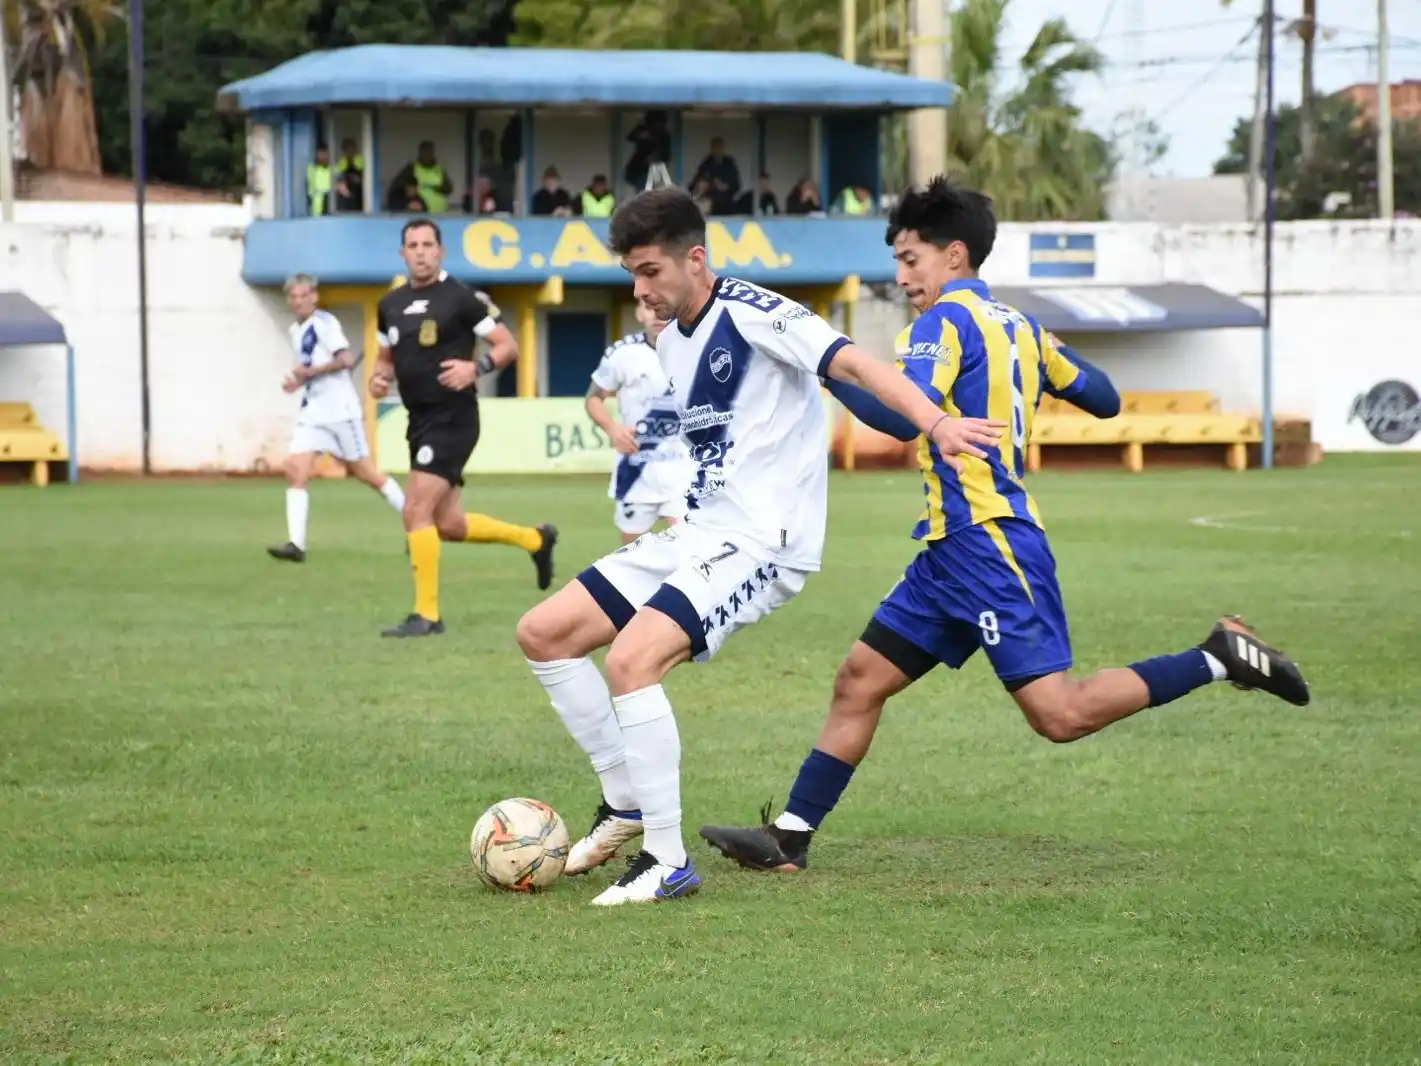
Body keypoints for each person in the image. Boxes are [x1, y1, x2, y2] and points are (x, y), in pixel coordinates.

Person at [698, 177, 1311, 874]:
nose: (901, 278)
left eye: (910, 259)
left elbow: (904, 416)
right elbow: (1104, 398)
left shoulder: (941, 324)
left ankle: (1218, 655)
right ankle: (789, 837)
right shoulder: (1020, 328)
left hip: (987, 542)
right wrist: (1042, 371)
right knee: (858, 680)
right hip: (947, 553)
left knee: (1059, 714)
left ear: (953, 256)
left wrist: (827, 375)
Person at [514, 187, 1005, 906]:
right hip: (697, 531)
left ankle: (664, 857)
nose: (640, 288)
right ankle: (624, 803)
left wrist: (934, 424)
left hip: (762, 542)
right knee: (544, 633)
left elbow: (856, 366)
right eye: (631, 274)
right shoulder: (668, 339)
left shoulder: (755, 312)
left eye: (651, 271)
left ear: (695, 258)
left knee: (631, 660)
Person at [371, 218, 558, 638]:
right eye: (412, 245)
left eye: (427, 244)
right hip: (418, 419)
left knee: (415, 510)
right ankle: (535, 540)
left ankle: (427, 615)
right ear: (403, 253)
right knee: (447, 524)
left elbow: (507, 345)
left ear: (441, 251)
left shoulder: (462, 299)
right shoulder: (391, 304)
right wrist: (379, 378)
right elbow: (385, 359)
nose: (420, 251)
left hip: (453, 417)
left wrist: (477, 367)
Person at [267, 274, 406, 563]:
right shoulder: (297, 329)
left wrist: (311, 372)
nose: (298, 301)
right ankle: (296, 544)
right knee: (296, 470)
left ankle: (418, 525)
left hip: (340, 412)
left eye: (303, 295)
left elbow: (345, 358)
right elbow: (313, 368)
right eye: (293, 297)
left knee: (368, 475)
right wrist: (299, 382)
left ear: (314, 297)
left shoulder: (325, 324)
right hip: (313, 412)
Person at [584, 301, 696, 544]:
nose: (657, 314)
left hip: (684, 469)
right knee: (633, 559)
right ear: (638, 312)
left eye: (664, 307)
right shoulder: (622, 353)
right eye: (649, 307)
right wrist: (614, 430)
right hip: (636, 470)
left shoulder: (697, 348)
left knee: (690, 550)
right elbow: (593, 398)